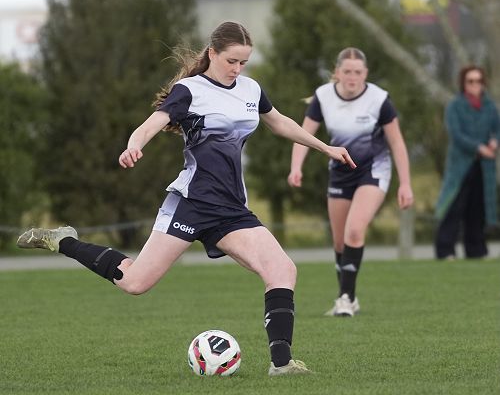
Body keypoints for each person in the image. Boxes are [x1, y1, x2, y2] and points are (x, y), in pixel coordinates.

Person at [16, 21, 356, 376]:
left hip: (231, 209)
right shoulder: (189, 91)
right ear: (212, 53)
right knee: (135, 283)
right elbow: (150, 124)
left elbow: (278, 121)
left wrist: (325, 148)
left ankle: (282, 364)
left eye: (243, 62)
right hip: (191, 203)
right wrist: (134, 146)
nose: (237, 69)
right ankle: (64, 240)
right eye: (231, 61)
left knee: (282, 269)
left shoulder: (251, 89)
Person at [287, 47, 413, 317]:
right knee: (340, 242)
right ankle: (349, 297)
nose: (352, 77)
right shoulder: (323, 96)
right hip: (340, 171)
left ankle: (344, 298)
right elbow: (302, 134)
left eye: (357, 72)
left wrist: (405, 184)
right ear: (337, 72)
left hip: (374, 171)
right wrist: (296, 166)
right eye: (347, 71)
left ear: (365, 73)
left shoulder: (379, 99)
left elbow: (397, 143)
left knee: (354, 231)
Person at [434, 65, 499, 260]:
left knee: (477, 208)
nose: (475, 85)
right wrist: (479, 147)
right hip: (460, 165)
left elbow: (497, 129)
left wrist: (494, 142)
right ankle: (445, 250)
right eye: (470, 81)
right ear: (463, 83)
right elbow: (456, 134)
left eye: (478, 81)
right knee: (454, 206)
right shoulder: (455, 106)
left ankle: (476, 250)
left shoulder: (490, 107)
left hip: (483, 166)